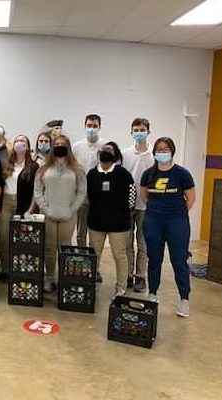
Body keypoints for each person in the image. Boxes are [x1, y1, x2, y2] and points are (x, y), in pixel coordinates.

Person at [141, 137, 195, 318]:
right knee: (154, 259)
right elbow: (144, 196)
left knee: (179, 260)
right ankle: (153, 293)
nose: (162, 153)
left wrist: (176, 214)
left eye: (165, 149)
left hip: (177, 222)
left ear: (172, 151)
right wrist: (157, 211)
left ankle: (184, 299)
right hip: (153, 221)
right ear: (154, 152)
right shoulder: (148, 174)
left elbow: (191, 198)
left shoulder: (182, 174)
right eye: (159, 149)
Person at [34, 135, 86, 292]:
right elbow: (38, 191)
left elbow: (82, 192)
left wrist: (72, 209)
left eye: (63, 144)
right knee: (49, 248)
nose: (59, 146)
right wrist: (45, 208)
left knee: (65, 248)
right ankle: (50, 278)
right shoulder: (44, 167)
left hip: (68, 216)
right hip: (49, 215)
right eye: (56, 144)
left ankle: (64, 279)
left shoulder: (77, 169)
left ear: (68, 147)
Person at [87, 142, 136, 299]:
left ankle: (121, 287)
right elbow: (88, 195)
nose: (105, 155)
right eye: (103, 151)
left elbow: (132, 195)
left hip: (119, 223)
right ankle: (92, 282)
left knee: (119, 254)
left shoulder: (123, 174)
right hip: (96, 222)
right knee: (95, 254)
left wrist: (125, 212)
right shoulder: (92, 174)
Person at [0, 134, 39, 282]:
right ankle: (5, 269)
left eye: (23, 141)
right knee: (3, 236)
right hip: (7, 201)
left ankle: (21, 269)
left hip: (24, 204)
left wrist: (31, 210)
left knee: (22, 238)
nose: (20, 143)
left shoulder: (33, 166)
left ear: (28, 146)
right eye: (17, 141)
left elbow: (36, 191)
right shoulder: (7, 163)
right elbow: (0, 184)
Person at [122, 118, 155, 292]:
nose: (139, 132)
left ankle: (140, 277)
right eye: (136, 129)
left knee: (143, 243)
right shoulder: (125, 153)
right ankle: (127, 275)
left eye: (142, 129)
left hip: (147, 206)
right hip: (127, 205)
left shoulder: (154, 154)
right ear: (131, 132)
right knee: (127, 243)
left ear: (148, 131)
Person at [72, 114, 107, 280]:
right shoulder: (77, 146)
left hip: (99, 197)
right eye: (89, 125)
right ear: (84, 125)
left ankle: (95, 267)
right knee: (81, 233)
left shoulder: (105, 146)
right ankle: (81, 264)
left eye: (95, 125)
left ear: (100, 126)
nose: (91, 128)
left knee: (96, 235)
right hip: (81, 195)